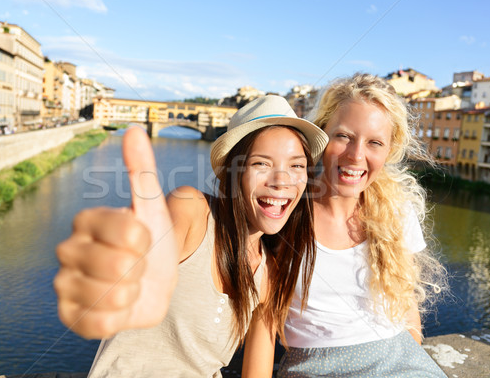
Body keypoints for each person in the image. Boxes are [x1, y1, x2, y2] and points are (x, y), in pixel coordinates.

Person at [54, 95, 329, 377]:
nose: (282, 181)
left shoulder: (269, 274)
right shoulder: (191, 210)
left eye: (296, 166)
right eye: (262, 163)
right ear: (232, 173)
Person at [242, 74, 448, 377]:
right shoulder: (285, 212)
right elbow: (264, 320)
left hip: (400, 360)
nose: (356, 155)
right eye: (344, 136)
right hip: (315, 366)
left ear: (389, 151)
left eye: (374, 142)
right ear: (322, 135)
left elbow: (406, 305)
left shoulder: (396, 211)